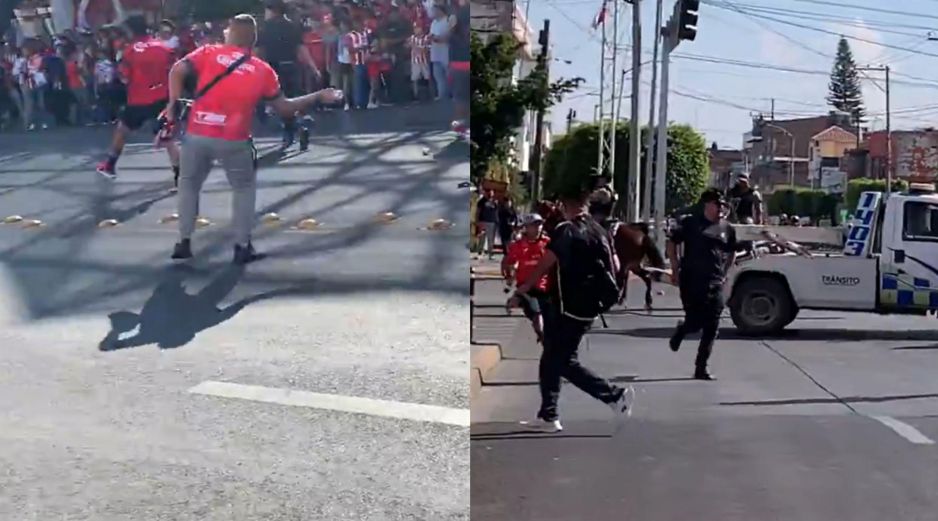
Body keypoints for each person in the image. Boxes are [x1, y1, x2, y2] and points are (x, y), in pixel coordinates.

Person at [163, 13, 343, 265]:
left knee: (189, 184)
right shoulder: (262, 70)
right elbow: (285, 108)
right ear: (253, 40)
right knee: (243, 189)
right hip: (234, 138)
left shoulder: (209, 52)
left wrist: (173, 103)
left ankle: (184, 241)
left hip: (199, 132)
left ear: (231, 33)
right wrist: (318, 96)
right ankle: (242, 245)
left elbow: (177, 69)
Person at [511, 183, 633, 433]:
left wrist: (524, 288)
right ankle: (548, 415)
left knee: (562, 360)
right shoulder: (599, 229)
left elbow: (547, 261)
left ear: (565, 205)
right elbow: (617, 265)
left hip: (568, 306)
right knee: (551, 356)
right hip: (590, 305)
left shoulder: (566, 230)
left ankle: (614, 396)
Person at [95, 16, 179, 188]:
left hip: (138, 100)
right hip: (161, 98)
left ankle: (110, 165)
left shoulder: (129, 51)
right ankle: (180, 174)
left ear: (131, 31)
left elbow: (125, 78)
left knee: (122, 130)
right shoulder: (164, 48)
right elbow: (175, 71)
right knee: (167, 138)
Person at [666, 188, 738, 381]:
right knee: (695, 321)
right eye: (717, 204)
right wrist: (674, 268)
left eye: (722, 205)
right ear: (707, 205)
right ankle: (683, 330)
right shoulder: (690, 223)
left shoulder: (727, 228)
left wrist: (725, 272)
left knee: (712, 324)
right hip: (691, 279)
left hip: (715, 280)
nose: (720, 208)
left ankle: (701, 368)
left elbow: (732, 251)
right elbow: (672, 243)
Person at [257, 0, 317, 149]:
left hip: (274, 68)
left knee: (278, 103)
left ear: (273, 10)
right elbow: (301, 48)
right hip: (292, 66)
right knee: (290, 99)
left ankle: (291, 130)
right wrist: (313, 67)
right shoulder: (293, 26)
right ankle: (299, 125)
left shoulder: (265, 28)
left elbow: (258, 51)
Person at [503, 213, 550, 343]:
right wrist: (509, 277)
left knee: (544, 316)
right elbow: (508, 262)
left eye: (539, 224)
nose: (538, 228)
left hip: (546, 286)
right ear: (526, 227)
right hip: (527, 286)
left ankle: (515, 300)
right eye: (534, 225)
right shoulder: (518, 245)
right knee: (537, 313)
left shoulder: (548, 243)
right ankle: (543, 337)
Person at [448, 0, 469, 135]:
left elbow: (450, 35)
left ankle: (462, 123)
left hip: (459, 63)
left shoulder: (457, 14)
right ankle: (463, 124)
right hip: (460, 62)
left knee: (460, 97)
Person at [428, 2, 450, 100]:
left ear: (440, 10)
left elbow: (448, 38)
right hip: (435, 54)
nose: (432, 12)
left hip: (446, 54)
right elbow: (431, 36)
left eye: (434, 10)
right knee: (439, 77)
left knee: (449, 77)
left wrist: (436, 38)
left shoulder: (447, 22)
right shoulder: (434, 23)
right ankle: (442, 97)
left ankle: (452, 97)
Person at [406, 22, 431, 101]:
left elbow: (426, 50)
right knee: (414, 78)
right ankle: (415, 95)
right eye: (415, 28)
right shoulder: (412, 38)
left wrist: (414, 46)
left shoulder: (426, 38)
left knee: (427, 76)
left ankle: (430, 93)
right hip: (415, 61)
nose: (416, 30)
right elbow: (407, 45)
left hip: (424, 61)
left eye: (417, 28)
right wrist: (409, 44)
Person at [475, 188, 499, 259]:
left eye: (492, 193)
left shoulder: (494, 202)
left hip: (492, 222)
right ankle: (480, 252)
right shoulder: (481, 201)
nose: (490, 194)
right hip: (483, 221)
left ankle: (490, 253)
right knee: (482, 238)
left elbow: (496, 212)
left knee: (491, 239)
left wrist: (497, 221)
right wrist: (477, 221)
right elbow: (478, 211)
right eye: (489, 192)